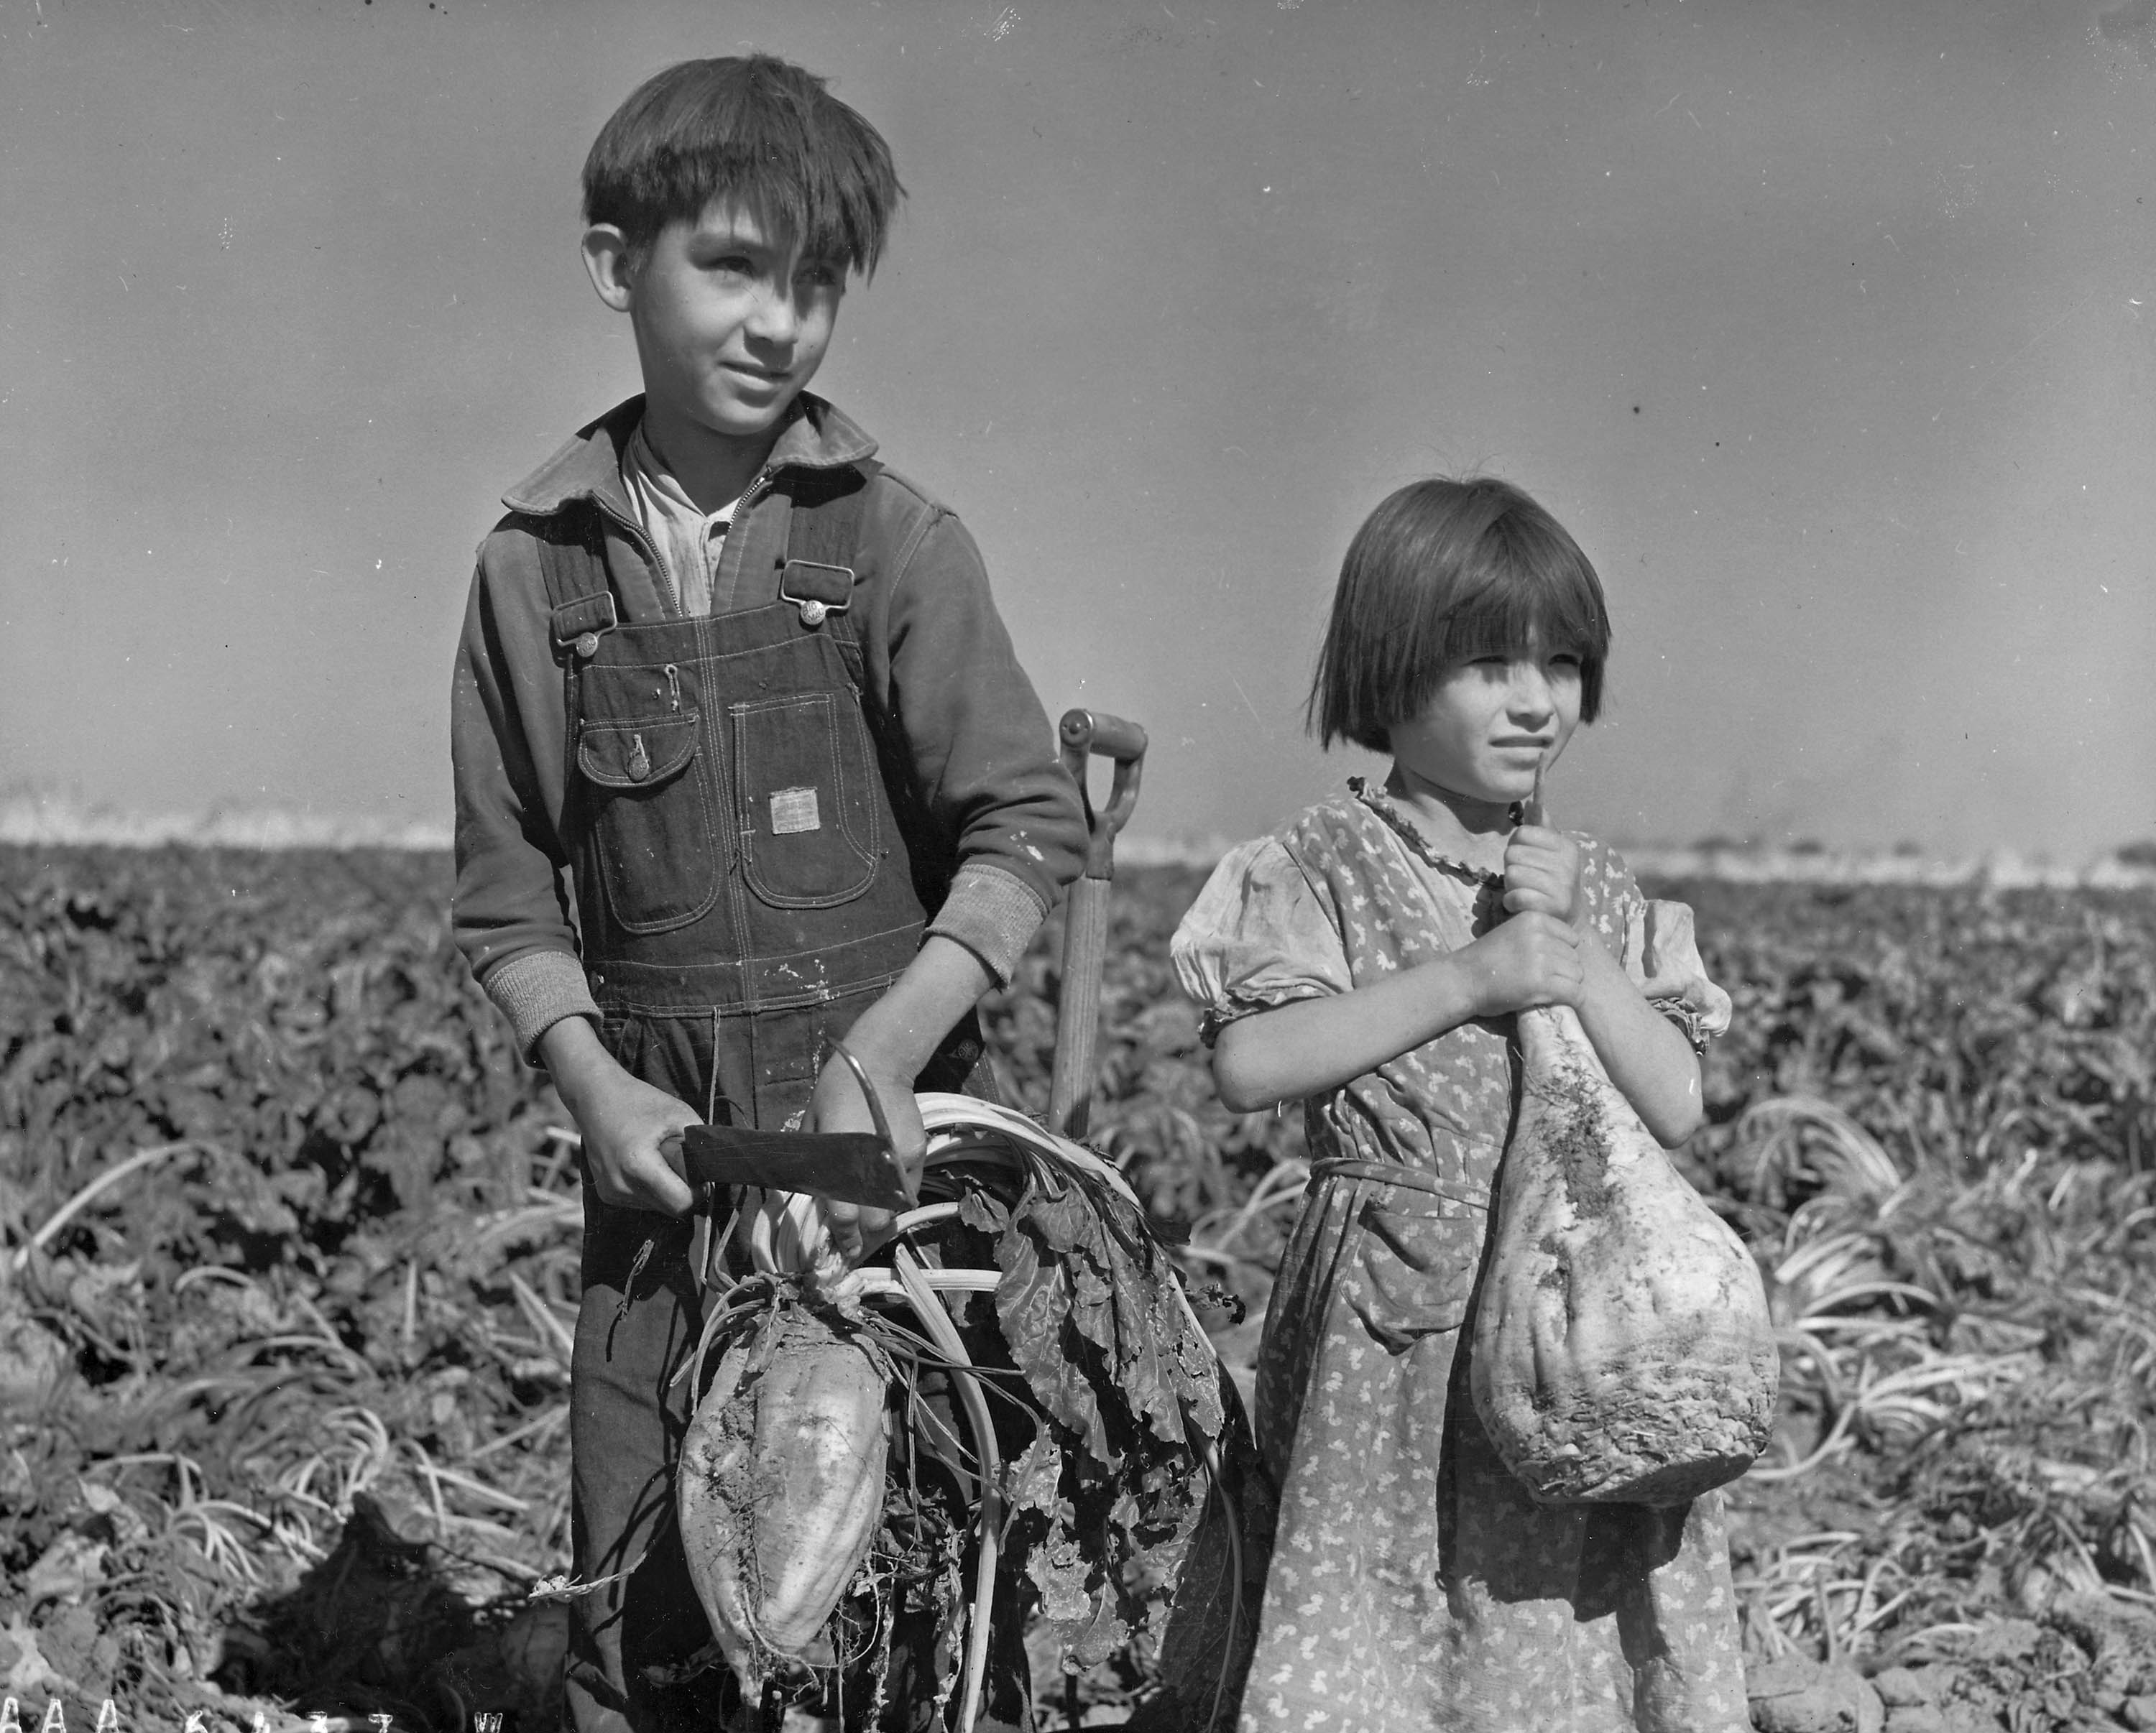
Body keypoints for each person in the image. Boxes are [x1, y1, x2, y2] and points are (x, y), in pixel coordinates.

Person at [447, 55, 1087, 1731]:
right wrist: (591, 1084)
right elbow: (508, 895)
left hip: (885, 1166)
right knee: (647, 1585)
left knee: (910, 1568)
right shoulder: (532, 570)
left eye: (815, 284)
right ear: (616, 266)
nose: (779, 323)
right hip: (662, 1171)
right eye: (733, 268)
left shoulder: (890, 541)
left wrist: (893, 1049)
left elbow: (1025, 831)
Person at [1161, 476, 1746, 1731]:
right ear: (1391, 667)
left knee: (1568, 1632)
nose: (1538, 701)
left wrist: (1582, 960)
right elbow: (1252, 1063)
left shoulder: (1596, 885)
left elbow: (1680, 1103)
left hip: (1574, 1333)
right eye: (1489, 662)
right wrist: (1474, 976)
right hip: (1393, 1334)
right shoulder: (1315, 862)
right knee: (1389, 1618)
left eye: (1566, 665)